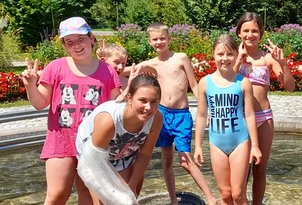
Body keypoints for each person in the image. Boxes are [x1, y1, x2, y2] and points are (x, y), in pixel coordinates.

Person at [21, 17, 122, 204]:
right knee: (57, 194)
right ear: (65, 46)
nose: (76, 45)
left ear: (91, 38)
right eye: (70, 42)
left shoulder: (107, 71)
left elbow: (114, 109)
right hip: (61, 142)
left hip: (93, 144)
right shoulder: (56, 67)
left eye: (80, 39)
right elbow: (40, 103)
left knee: (88, 195)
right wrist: (30, 86)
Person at [128, 22, 218, 205]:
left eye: (162, 38)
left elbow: (194, 85)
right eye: (155, 39)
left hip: (181, 115)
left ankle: (210, 198)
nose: (159, 42)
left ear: (170, 39)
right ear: (149, 42)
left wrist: (205, 109)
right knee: (166, 160)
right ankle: (173, 200)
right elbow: (129, 70)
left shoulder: (180, 58)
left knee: (185, 160)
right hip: (161, 114)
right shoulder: (151, 64)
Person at [234, 12, 295, 205]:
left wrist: (283, 63)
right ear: (238, 33)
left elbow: (290, 87)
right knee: (241, 169)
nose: (250, 35)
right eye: (246, 31)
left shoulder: (267, 59)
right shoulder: (233, 57)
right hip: (240, 118)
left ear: (261, 33)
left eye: (254, 31)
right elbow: (223, 83)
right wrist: (238, 59)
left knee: (260, 168)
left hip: (263, 118)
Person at [194, 34, 262, 205]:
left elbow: (249, 115)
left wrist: (254, 146)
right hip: (216, 143)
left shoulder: (243, 83)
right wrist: (197, 146)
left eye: (230, 54)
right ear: (213, 55)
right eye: (220, 54)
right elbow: (202, 115)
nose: (225, 59)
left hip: (240, 141)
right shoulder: (205, 82)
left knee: (238, 194)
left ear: (236, 55)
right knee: (225, 194)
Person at [76, 74, 163, 204]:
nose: (148, 108)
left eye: (154, 101)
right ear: (129, 98)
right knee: (103, 201)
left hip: (124, 152)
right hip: (92, 156)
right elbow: (92, 165)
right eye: (143, 100)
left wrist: (132, 186)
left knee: (129, 199)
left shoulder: (156, 119)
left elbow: (145, 154)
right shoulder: (109, 121)